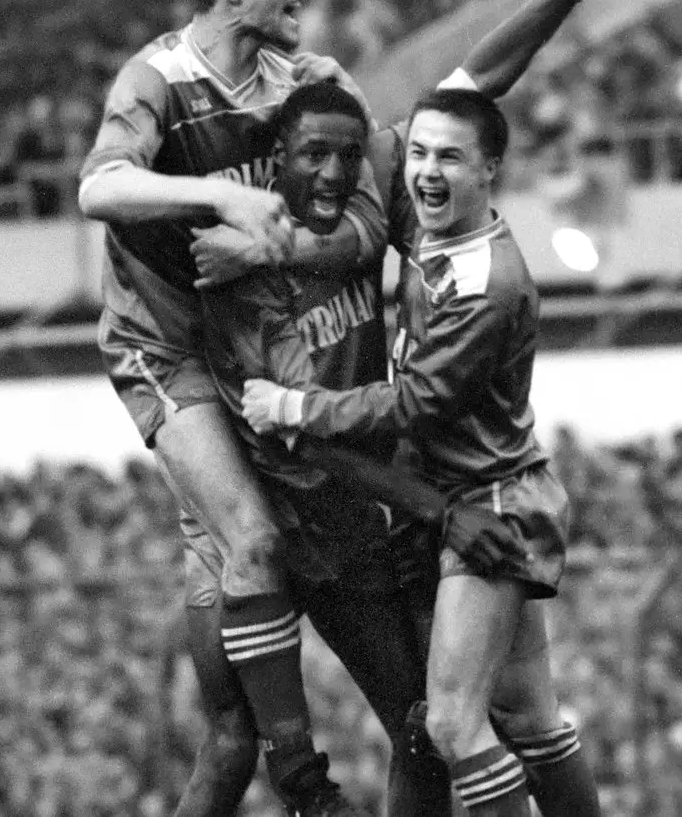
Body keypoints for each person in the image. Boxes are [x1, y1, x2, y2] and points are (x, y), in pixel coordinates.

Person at [79, 0, 387, 816]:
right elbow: (99, 185)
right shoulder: (160, 80)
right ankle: (307, 784)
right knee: (253, 539)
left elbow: (371, 227)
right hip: (166, 352)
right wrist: (212, 193)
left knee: (226, 735)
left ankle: (280, 756)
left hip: (257, 363)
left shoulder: (312, 86)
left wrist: (273, 249)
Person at [241, 88, 610, 817]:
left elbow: (414, 401)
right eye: (418, 154)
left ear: (490, 169)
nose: (427, 172)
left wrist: (295, 406)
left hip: (488, 504)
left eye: (450, 157)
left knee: (447, 721)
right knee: (531, 718)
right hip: (494, 489)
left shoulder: (486, 285)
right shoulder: (435, 235)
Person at [180, 81, 452, 817]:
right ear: (276, 160)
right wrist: (433, 505)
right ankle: (303, 787)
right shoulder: (233, 271)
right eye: (313, 154)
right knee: (231, 744)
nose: (332, 171)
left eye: (347, 155)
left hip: (345, 525)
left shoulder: (353, 236)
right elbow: (303, 435)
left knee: (425, 730)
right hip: (254, 521)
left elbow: (470, 89)